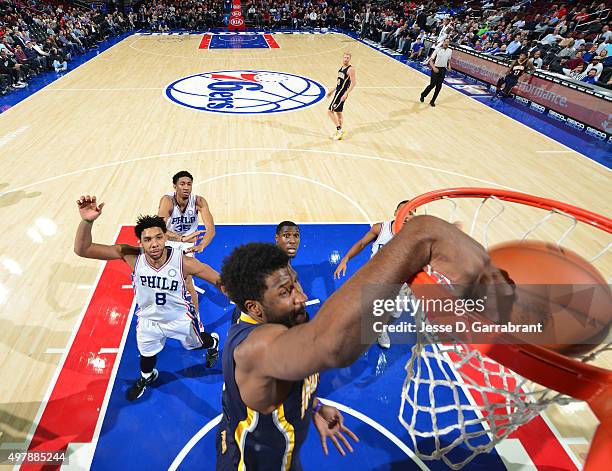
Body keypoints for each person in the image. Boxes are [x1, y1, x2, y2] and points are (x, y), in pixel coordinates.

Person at [215, 215, 512, 470]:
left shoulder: (278, 322)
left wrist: (314, 407)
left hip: (281, 446)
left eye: (295, 285)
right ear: (254, 308)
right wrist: (420, 237)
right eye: (286, 292)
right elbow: (332, 345)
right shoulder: (251, 347)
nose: (301, 296)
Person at [74, 195, 221, 401]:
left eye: (159, 237)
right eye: (147, 239)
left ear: (165, 237)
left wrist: (246, 298)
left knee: (197, 344)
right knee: (146, 354)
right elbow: (83, 250)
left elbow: (219, 281)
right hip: (148, 320)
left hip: (179, 318)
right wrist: (87, 221)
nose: (154, 244)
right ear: (140, 242)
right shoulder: (131, 256)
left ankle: (212, 343)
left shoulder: (183, 262)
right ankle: (148, 376)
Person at [333, 200, 411, 348]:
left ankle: (381, 329)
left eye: (411, 212)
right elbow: (362, 243)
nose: (407, 215)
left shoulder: (414, 235)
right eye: (403, 211)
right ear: (396, 213)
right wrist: (346, 259)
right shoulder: (381, 228)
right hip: (377, 277)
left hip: (400, 282)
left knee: (395, 314)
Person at [158, 170, 215, 328]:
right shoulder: (167, 201)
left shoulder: (199, 202)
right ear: (175, 186)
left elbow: (211, 229)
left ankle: (195, 318)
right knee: (167, 280)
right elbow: (160, 229)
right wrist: (181, 238)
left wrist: (202, 244)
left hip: (187, 245)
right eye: (182, 184)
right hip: (170, 240)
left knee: (187, 280)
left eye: (189, 184)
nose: (186, 187)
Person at [231, 221, 301, 324]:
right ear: (277, 238)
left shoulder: (283, 262)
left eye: (296, 236)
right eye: (286, 236)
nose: (292, 241)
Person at [327, 52, 356, 141]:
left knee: (329, 111)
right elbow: (339, 83)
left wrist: (346, 93)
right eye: (344, 57)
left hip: (341, 93)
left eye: (347, 58)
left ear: (349, 59)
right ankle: (339, 132)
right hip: (338, 92)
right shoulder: (341, 68)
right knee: (338, 113)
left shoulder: (350, 69)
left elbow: (353, 83)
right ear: (342, 58)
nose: (346, 59)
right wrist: (332, 90)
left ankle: (339, 131)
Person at [420, 38, 452, 107]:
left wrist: (449, 66)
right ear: (443, 42)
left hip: (443, 70)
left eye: (448, 42)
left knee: (439, 87)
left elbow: (449, 60)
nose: (446, 43)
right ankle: (423, 94)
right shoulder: (437, 49)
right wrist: (433, 67)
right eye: (445, 42)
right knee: (432, 85)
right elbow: (431, 60)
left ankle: (432, 101)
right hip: (436, 68)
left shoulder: (450, 51)